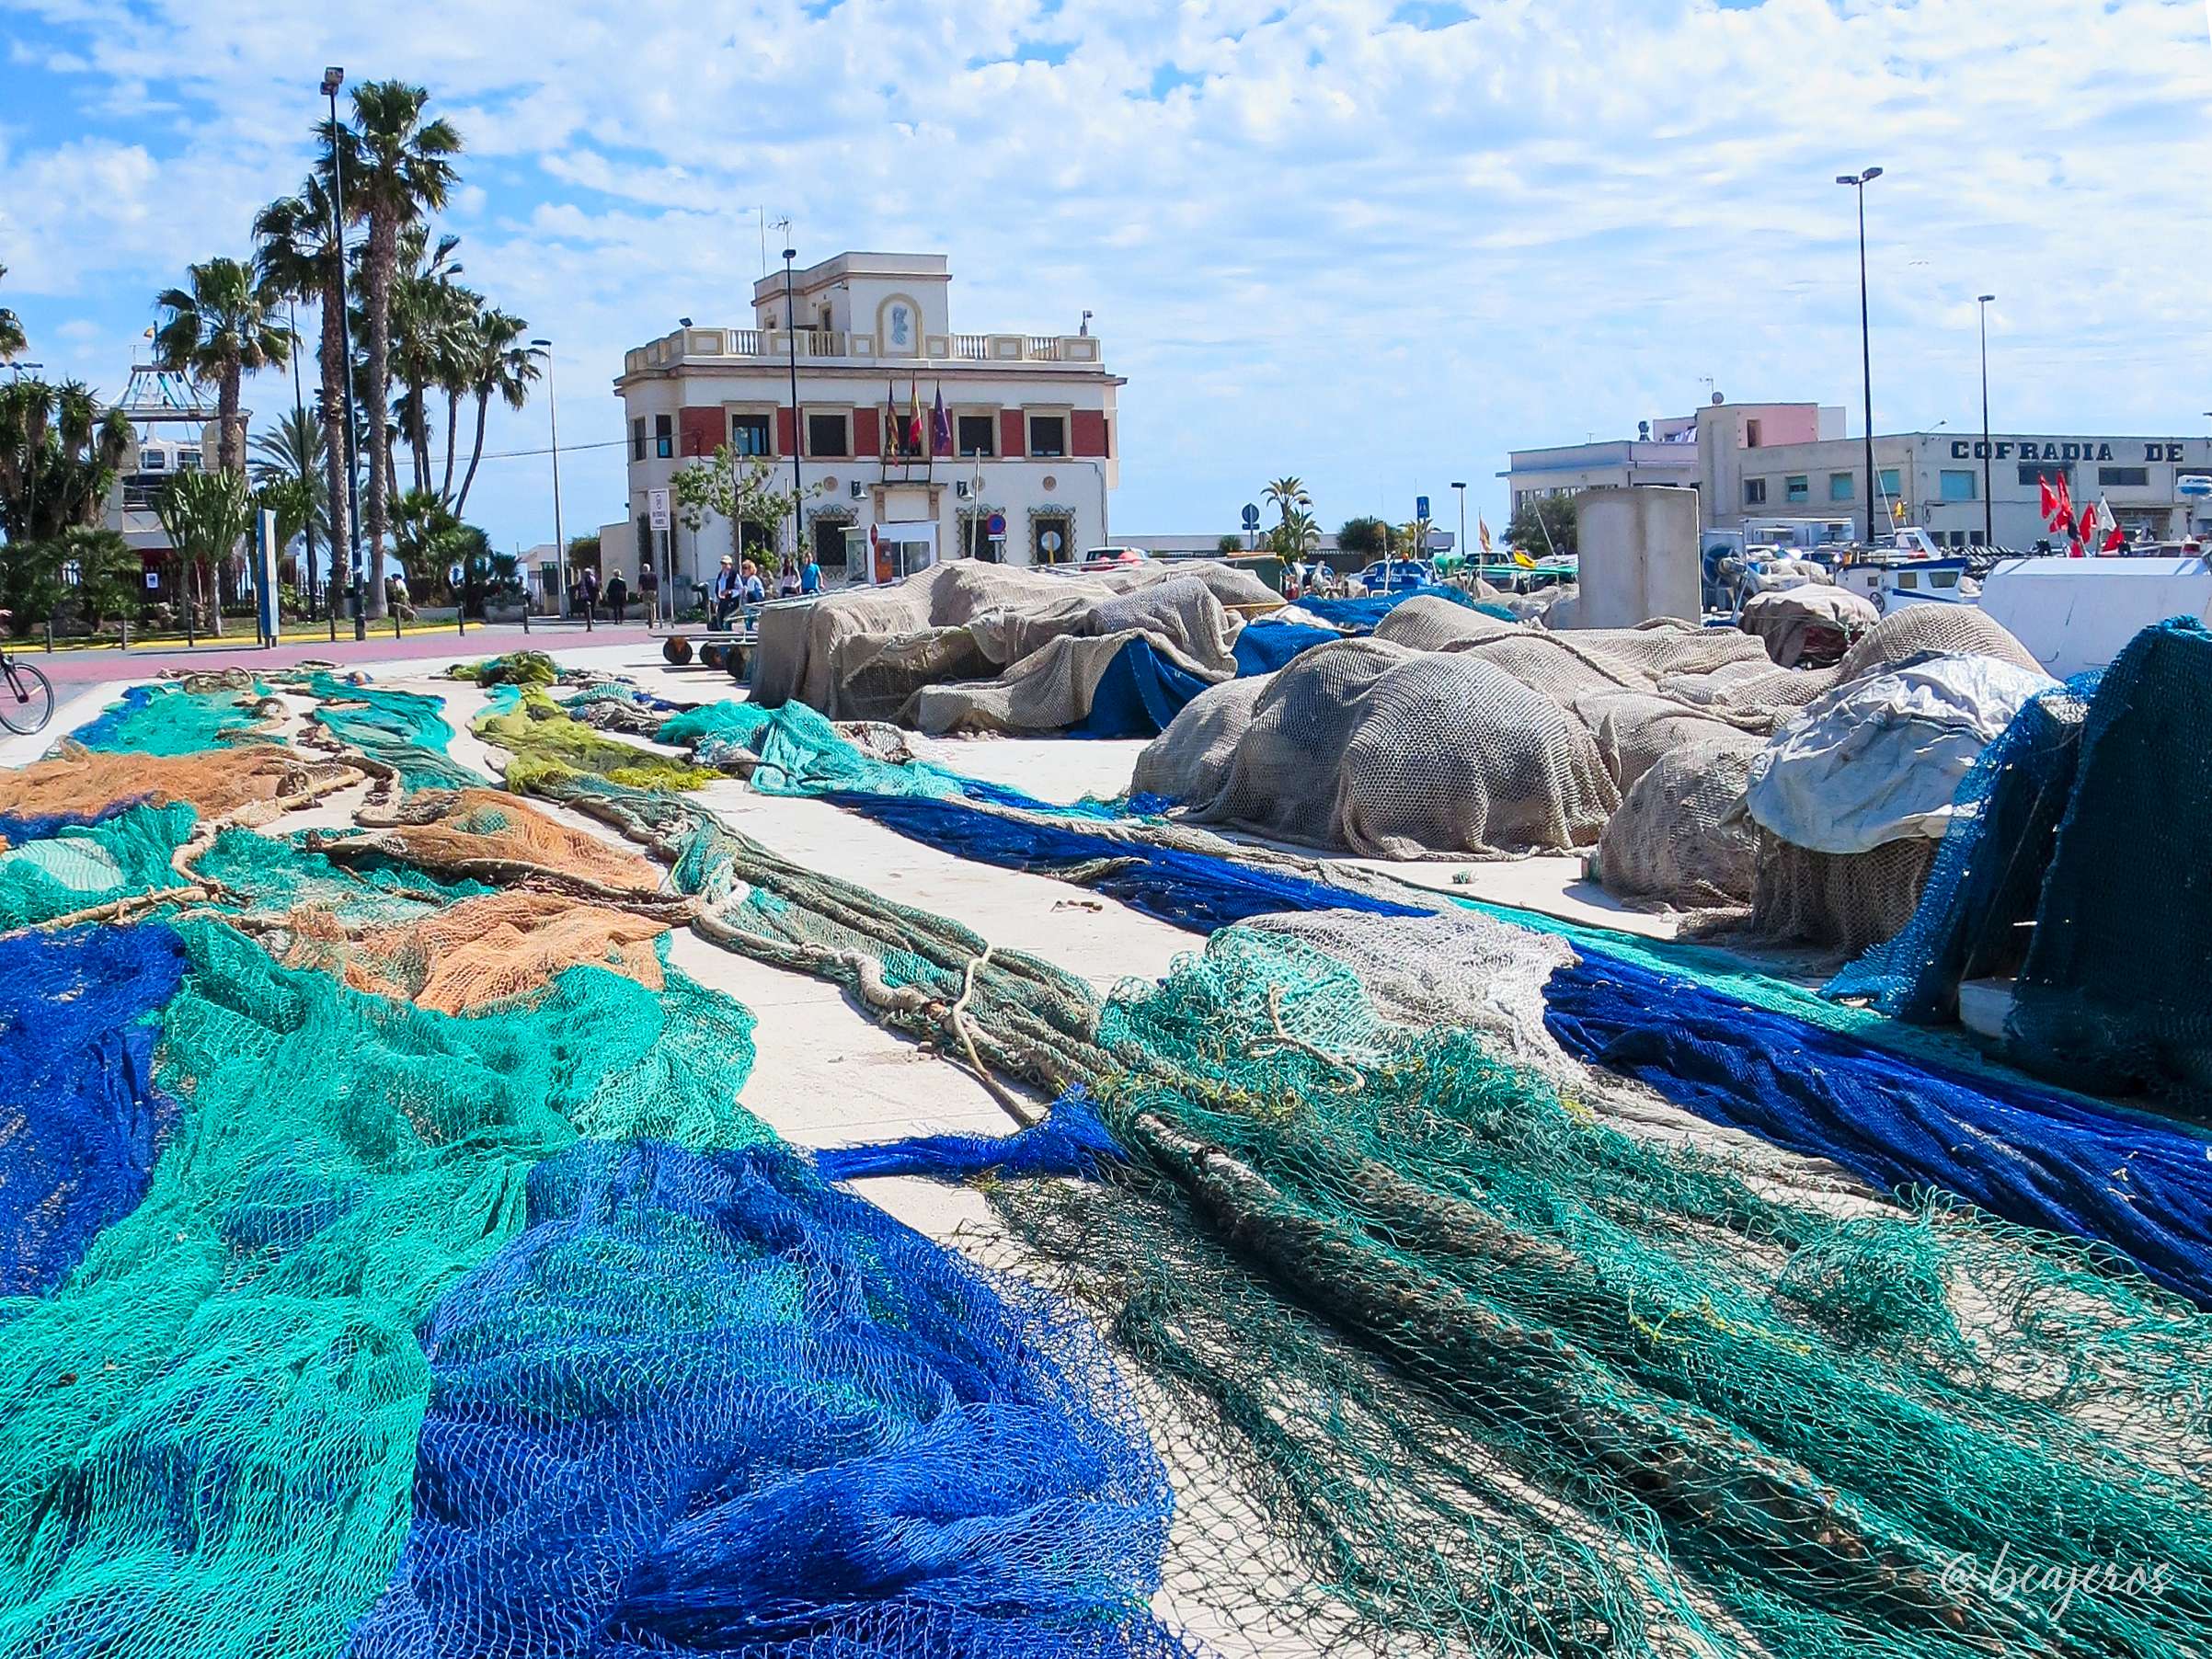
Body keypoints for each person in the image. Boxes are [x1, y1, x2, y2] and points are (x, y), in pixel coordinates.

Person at [711, 554, 743, 628]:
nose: (724, 566)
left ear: (730, 564)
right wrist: (715, 602)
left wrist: (730, 592)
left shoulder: (734, 575)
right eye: (722, 563)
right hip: (722, 601)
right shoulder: (720, 575)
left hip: (731, 601)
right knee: (720, 620)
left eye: (725, 564)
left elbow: (740, 589)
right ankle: (723, 636)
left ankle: (729, 636)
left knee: (727, 618)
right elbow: (717, 588)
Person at [637, 559, 659, 626]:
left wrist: (638, 592)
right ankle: (654, 618)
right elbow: (656, 583)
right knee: (653, 605)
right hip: (653, 591)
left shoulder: (642, 576)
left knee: (647, 605)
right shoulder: (654, 575)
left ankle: (649, 618)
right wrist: (656, 591)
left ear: (644, 569)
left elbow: (640, 585)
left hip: (645, 592)